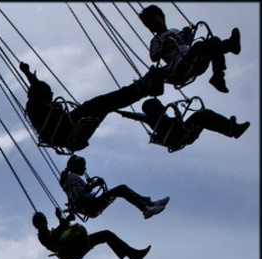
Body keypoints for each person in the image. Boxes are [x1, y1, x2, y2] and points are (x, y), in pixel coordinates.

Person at [19, 61, 164, 152]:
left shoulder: (40, 102)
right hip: (63, 130)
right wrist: (29, 75)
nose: (51, 95)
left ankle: (143, 89)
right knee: (98, 103)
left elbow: (37, 86)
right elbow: (37, 87)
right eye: (49, 93)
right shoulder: (35, 104)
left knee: (104, 105)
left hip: (65, 130)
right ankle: (142, 88)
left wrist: (28, 73)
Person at [138, 5, 241, 93]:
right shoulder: (156, 40)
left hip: (191, 58)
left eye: (153, 20)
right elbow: (154, 57)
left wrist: (187, 33)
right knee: (200, 45)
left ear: (162, 17)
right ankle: (228, 46)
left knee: (213, 41)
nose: (151, 25)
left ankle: (218, 75)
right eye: (148, 24)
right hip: (179, 66)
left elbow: (187, 42)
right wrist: (164, 44)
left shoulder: (173, 30)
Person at [59, 154, 169, 219]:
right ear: (76, 167)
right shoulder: (73, 176)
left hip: (89, 204)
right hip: (90, 205)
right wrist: (95, 185)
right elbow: (80, 195)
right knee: (122, 189)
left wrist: (91, 185)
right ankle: (145, 208)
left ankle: (149, 203)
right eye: (83, 166)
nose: (85, 168)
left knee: (121, 189)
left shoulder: (70, 178)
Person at [118, 98, 250, 151]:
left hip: (182, 133)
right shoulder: (152, 119)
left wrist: (178, 109)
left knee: (205, 116)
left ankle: (232, 129)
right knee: (201, 116)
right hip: (178, 135)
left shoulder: (162, 116)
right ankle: (231, 129)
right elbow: (136, 116)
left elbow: (178, 121)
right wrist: (119, 111)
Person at [32, 210, 152, 259]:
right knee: (105, 235)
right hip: (71, 249)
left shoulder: (48, 232)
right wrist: (65, 220)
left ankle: (133, 256)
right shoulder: (42, 235)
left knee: (106, 234)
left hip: (74, 246)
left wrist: (63, 219)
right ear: (37, 224)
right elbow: (55, 240)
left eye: (44, 217)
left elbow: (61, 231)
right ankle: (134, 256)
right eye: (41, 219)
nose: (44, 220)